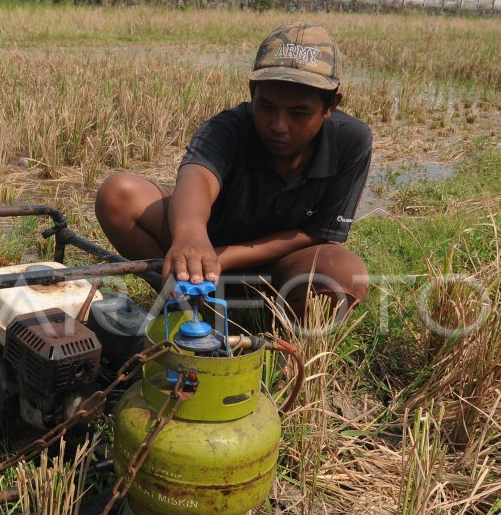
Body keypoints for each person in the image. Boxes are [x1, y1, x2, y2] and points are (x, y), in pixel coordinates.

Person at [95, 22, 371, 323]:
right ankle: (181, 293)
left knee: (345, 276)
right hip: (203, 243)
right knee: (118, 194)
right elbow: (197, 176)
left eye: (298, 112)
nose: (278, 125)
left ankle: (274, 318)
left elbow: (317, 233)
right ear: (253, 91)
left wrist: (220, 257)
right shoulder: (228, 127)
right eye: (266, 107)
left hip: (279, 265)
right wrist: (189, 235)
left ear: (331, 104)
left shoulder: (350, 141)